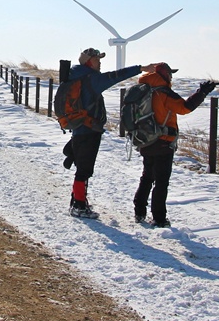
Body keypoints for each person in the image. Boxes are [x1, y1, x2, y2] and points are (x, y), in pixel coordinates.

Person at [64, 48, 160, 219]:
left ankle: (78, 200)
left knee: (82, 169)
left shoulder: (78, 77)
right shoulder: (91, 79)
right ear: (88, 62)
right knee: (84, 170)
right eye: (97, 59)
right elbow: (115, 76)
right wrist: (140, 68)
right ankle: (78, 205)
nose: (100, 62)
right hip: (88, 130)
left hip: (81, 129)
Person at [132, 63, 216, 227]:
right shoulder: (164, 92)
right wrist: (202, 92)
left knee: (147, 176)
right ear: (165, 74)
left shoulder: (142, 90)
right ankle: (159, 218)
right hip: (163, 142)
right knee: (161, 182)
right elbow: (185, 108)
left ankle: (139, 211)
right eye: (170, 74)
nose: (171, 77)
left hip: (145, 140)